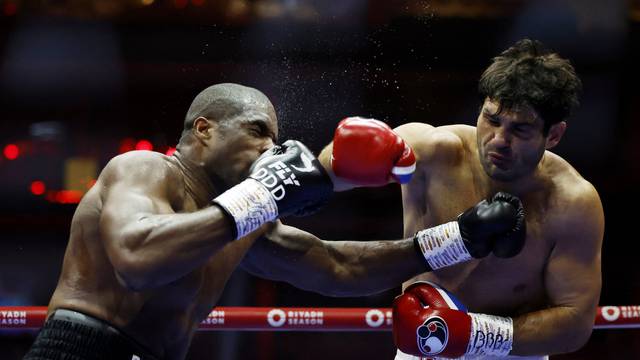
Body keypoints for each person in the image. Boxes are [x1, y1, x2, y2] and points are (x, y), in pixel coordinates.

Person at [244, 39, 603, 359]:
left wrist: (471, 335)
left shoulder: (572, 203)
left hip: (512, 350)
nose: (498, 139)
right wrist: (338, 159)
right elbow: (323, 176)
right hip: (423, 346)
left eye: (519, 130)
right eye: (491, 120)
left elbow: (575, 322)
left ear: (553, 135)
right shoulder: (434, 152)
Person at [22, 83, 337, 360]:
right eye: (256, 131)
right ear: (204, 130)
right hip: (83, 350)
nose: (269, 148)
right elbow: (137, 259)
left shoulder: (246, 221)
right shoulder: (144, 169)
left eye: (273, 138)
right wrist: (258, 196)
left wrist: (362, 172)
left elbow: (338, 266)